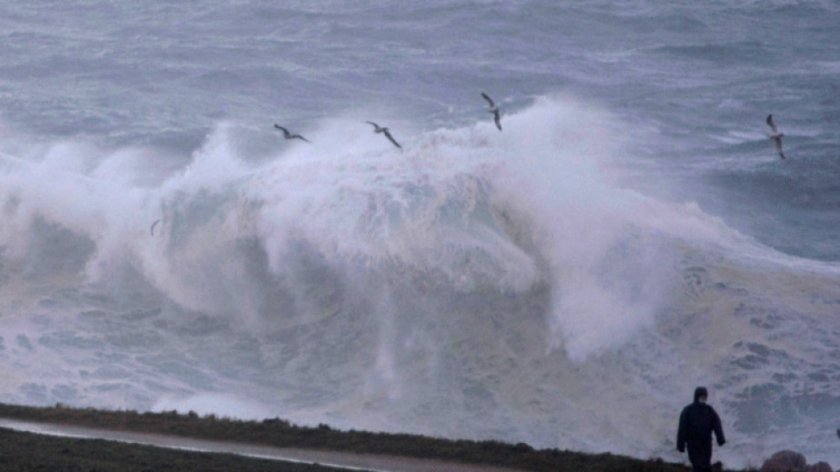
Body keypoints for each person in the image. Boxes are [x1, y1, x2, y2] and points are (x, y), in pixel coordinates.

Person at [677, 387, 726, 472]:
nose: (703, 399)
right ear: (696, 397)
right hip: (692, 444)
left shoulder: (709, 410)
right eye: (701, 397)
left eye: (705, 397)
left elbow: (717, 424)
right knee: (697, 466)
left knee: (706, 465)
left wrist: (720, 438)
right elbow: (682, 428)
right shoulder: (688, 410)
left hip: (706, 444)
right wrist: (680, 444)